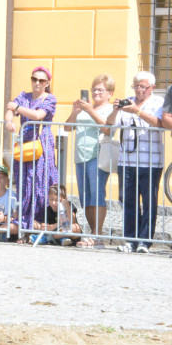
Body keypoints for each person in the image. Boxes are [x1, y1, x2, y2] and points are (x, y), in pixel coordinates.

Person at [105, 71, 165, 254]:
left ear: (152, 88)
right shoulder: (127, 102)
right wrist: (116, 110)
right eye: (136, 86)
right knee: (128, 201)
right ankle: (130, 240)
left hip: (151, 162)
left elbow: (160, 123)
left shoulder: (159, 103)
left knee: (149, 202)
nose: (139, 90)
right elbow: (109, 128)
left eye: (143, 86)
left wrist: (138, 112)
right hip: (127, 161)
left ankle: (144, 242)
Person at [4, 66, 58, 236]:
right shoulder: (24, 96)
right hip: (25, 143)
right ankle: (24, 224)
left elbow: (37, 116)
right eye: (34, 79)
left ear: (47, 83)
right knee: (24, 182)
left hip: (41, 143)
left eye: (41, 80)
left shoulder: (49, 99)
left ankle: (39, 223)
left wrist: (16, 107)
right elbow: (9, 109)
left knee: (40, 181)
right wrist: (9, 120)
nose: (37, 83)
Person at [63, 74, 114, 248]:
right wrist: (75, 112)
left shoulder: (109, 109)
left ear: (110, 93)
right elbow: (67, 127)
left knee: (97, 196)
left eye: (100, 90)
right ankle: (94, 235)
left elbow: (108, 129)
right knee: (86, 198)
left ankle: (97, 236)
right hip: (80, 157)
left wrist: (91, 110)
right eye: (94, 89)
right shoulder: (85, 109)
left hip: (97, 156)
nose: (96, 93)